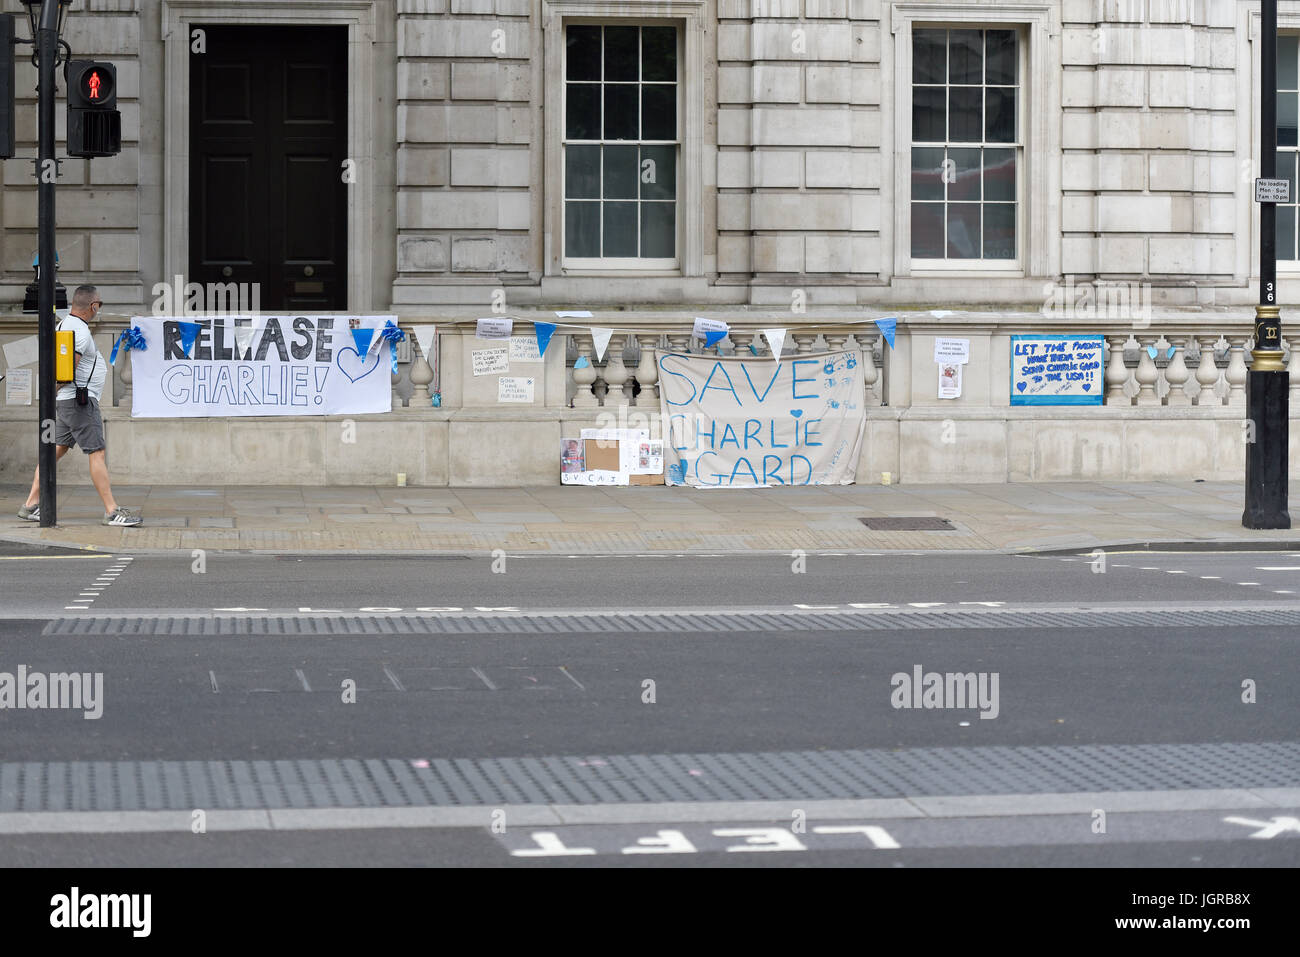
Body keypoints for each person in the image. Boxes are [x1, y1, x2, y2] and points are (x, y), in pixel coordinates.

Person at [17, 285, 142, 527]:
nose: (99, 308)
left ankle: (31, 504)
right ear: (93, 306)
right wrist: (51, 395)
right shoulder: (80, 332)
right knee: (97, 452)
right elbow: (65, 371)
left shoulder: (64, 325)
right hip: (79, 402)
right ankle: (111, 511)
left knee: (54, 450)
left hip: (68, 403)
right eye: (100, 304)